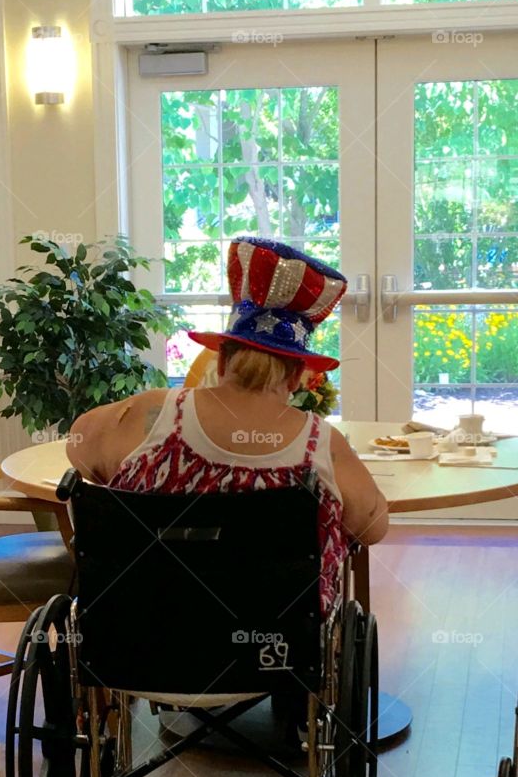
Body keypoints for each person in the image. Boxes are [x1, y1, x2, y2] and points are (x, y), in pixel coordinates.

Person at [67, 236, 389, 618]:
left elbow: (78, 450)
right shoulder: (319, 443)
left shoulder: (149, 414)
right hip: (279, 653)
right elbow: (371, 527)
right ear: (296, 378)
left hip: (143, 643)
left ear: (221, 362)